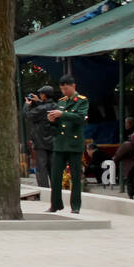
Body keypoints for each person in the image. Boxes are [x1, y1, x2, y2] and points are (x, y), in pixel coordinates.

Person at [46, 75, 88, 214]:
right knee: (56, 175)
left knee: (75, 177)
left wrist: (62, 114)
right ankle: (55, 204)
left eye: (67, 88)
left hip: (74, 144)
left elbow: (80, 119)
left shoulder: (82, 101)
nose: (64, 92)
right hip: (60, 143)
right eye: (62, 89)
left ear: (73, 86)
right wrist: (52, 120)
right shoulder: (61, 102)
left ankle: (75, 206)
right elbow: (58, 123)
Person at [24, 86, 56, 187]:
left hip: (41, 142)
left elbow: (28, 115)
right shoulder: (56, 106)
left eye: (41, 94)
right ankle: (56, 190)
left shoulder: (41, 108)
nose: (40, 95)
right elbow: (46, 108)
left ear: (44, 95)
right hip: (54, 141)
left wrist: (26, 105)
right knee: (53, 167)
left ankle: (44, 190)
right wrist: (39, 101)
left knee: (41, 168)